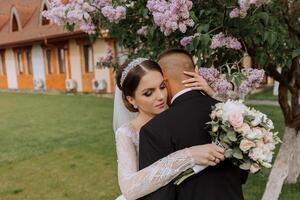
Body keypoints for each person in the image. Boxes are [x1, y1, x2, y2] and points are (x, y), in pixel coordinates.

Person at [138, 49, 247, 200]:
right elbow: (242, 173)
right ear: (195, 71)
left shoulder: (154, 130)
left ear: (163, 78)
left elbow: (157, 195)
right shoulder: (231, 114)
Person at [114, 57, 225, 200]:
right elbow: (129, 188)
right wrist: (188, 156)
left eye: (162, 86)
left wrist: (211, 93)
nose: (160, 96)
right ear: (131, 100)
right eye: (148, 93)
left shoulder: (178, 116)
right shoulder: (126, 133)